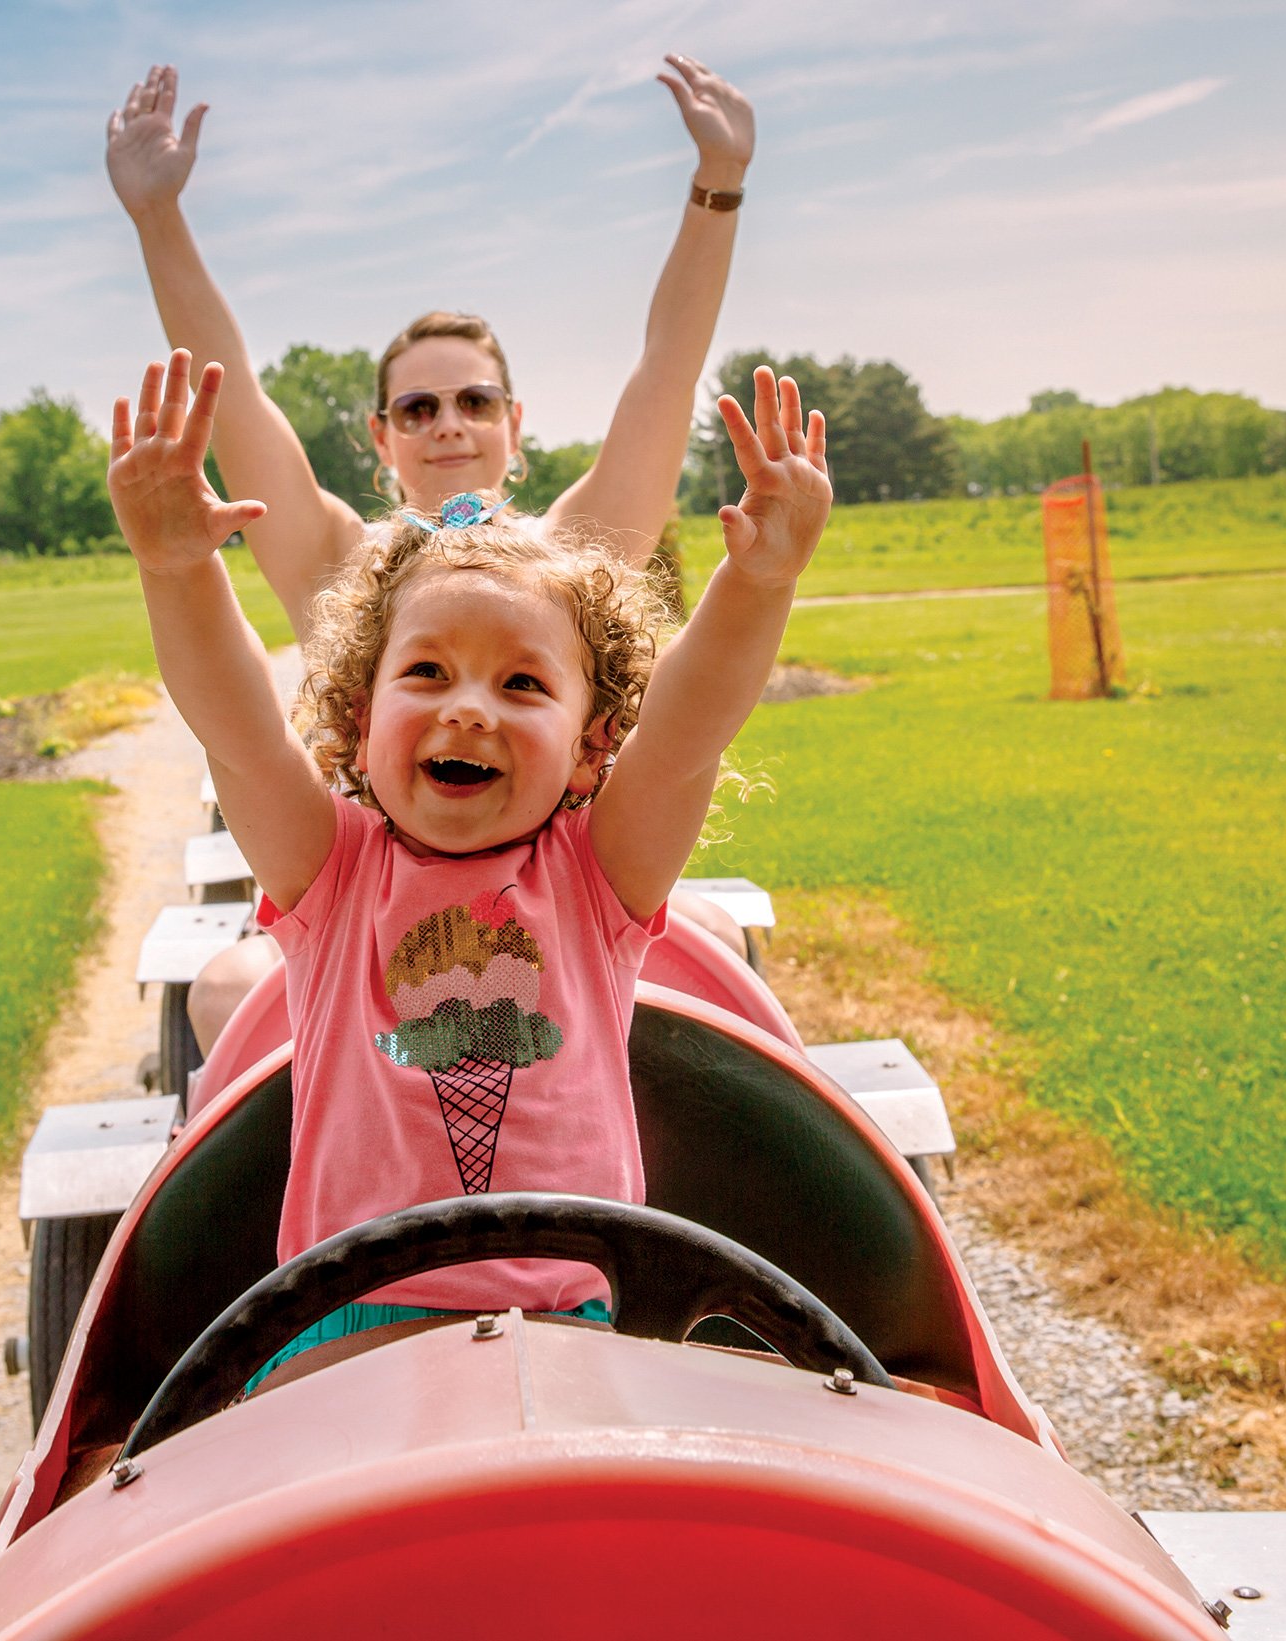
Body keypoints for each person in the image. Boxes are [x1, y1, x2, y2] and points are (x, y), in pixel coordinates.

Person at [104, 349, 830, 1383]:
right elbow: (240, 734)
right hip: (340, 1327)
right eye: (429, 671)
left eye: (524, 683)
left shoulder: (597, 877)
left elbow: (685, 734)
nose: (469, 707)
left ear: (590, 748)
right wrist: (177, 568)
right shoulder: (334, 874)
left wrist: (760, 581)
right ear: (358, 724)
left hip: (570, 1327)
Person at [106, 60, 762, 1046]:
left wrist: (718, 186)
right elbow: (232, 390)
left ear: (514, 423)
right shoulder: (342, 563)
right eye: (419, 406)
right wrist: (158, 219)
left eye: (473, 400)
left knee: (715, 941)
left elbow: (666, 371)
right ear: (382, 437)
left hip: (575, 897)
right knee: (228, 990)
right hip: (364, 897)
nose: (448, 424)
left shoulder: (573, 558)